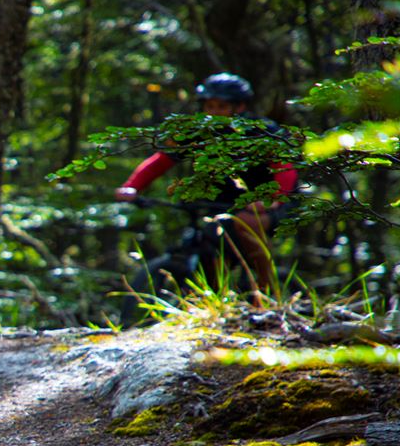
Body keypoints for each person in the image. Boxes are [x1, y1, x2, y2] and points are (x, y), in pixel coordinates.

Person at [115, 72, 298, 296]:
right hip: (220, 203)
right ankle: (208, 295)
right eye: (209, 106)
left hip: (269, 202)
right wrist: (132, 186)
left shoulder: (261, 131)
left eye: (221, 106)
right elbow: (162, 160)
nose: (214, 112)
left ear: (239, 107)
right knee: (206, 239)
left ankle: (267, 287)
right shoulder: (196, 132)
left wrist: (272, 199)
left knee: (245, 222)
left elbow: (285, 167)